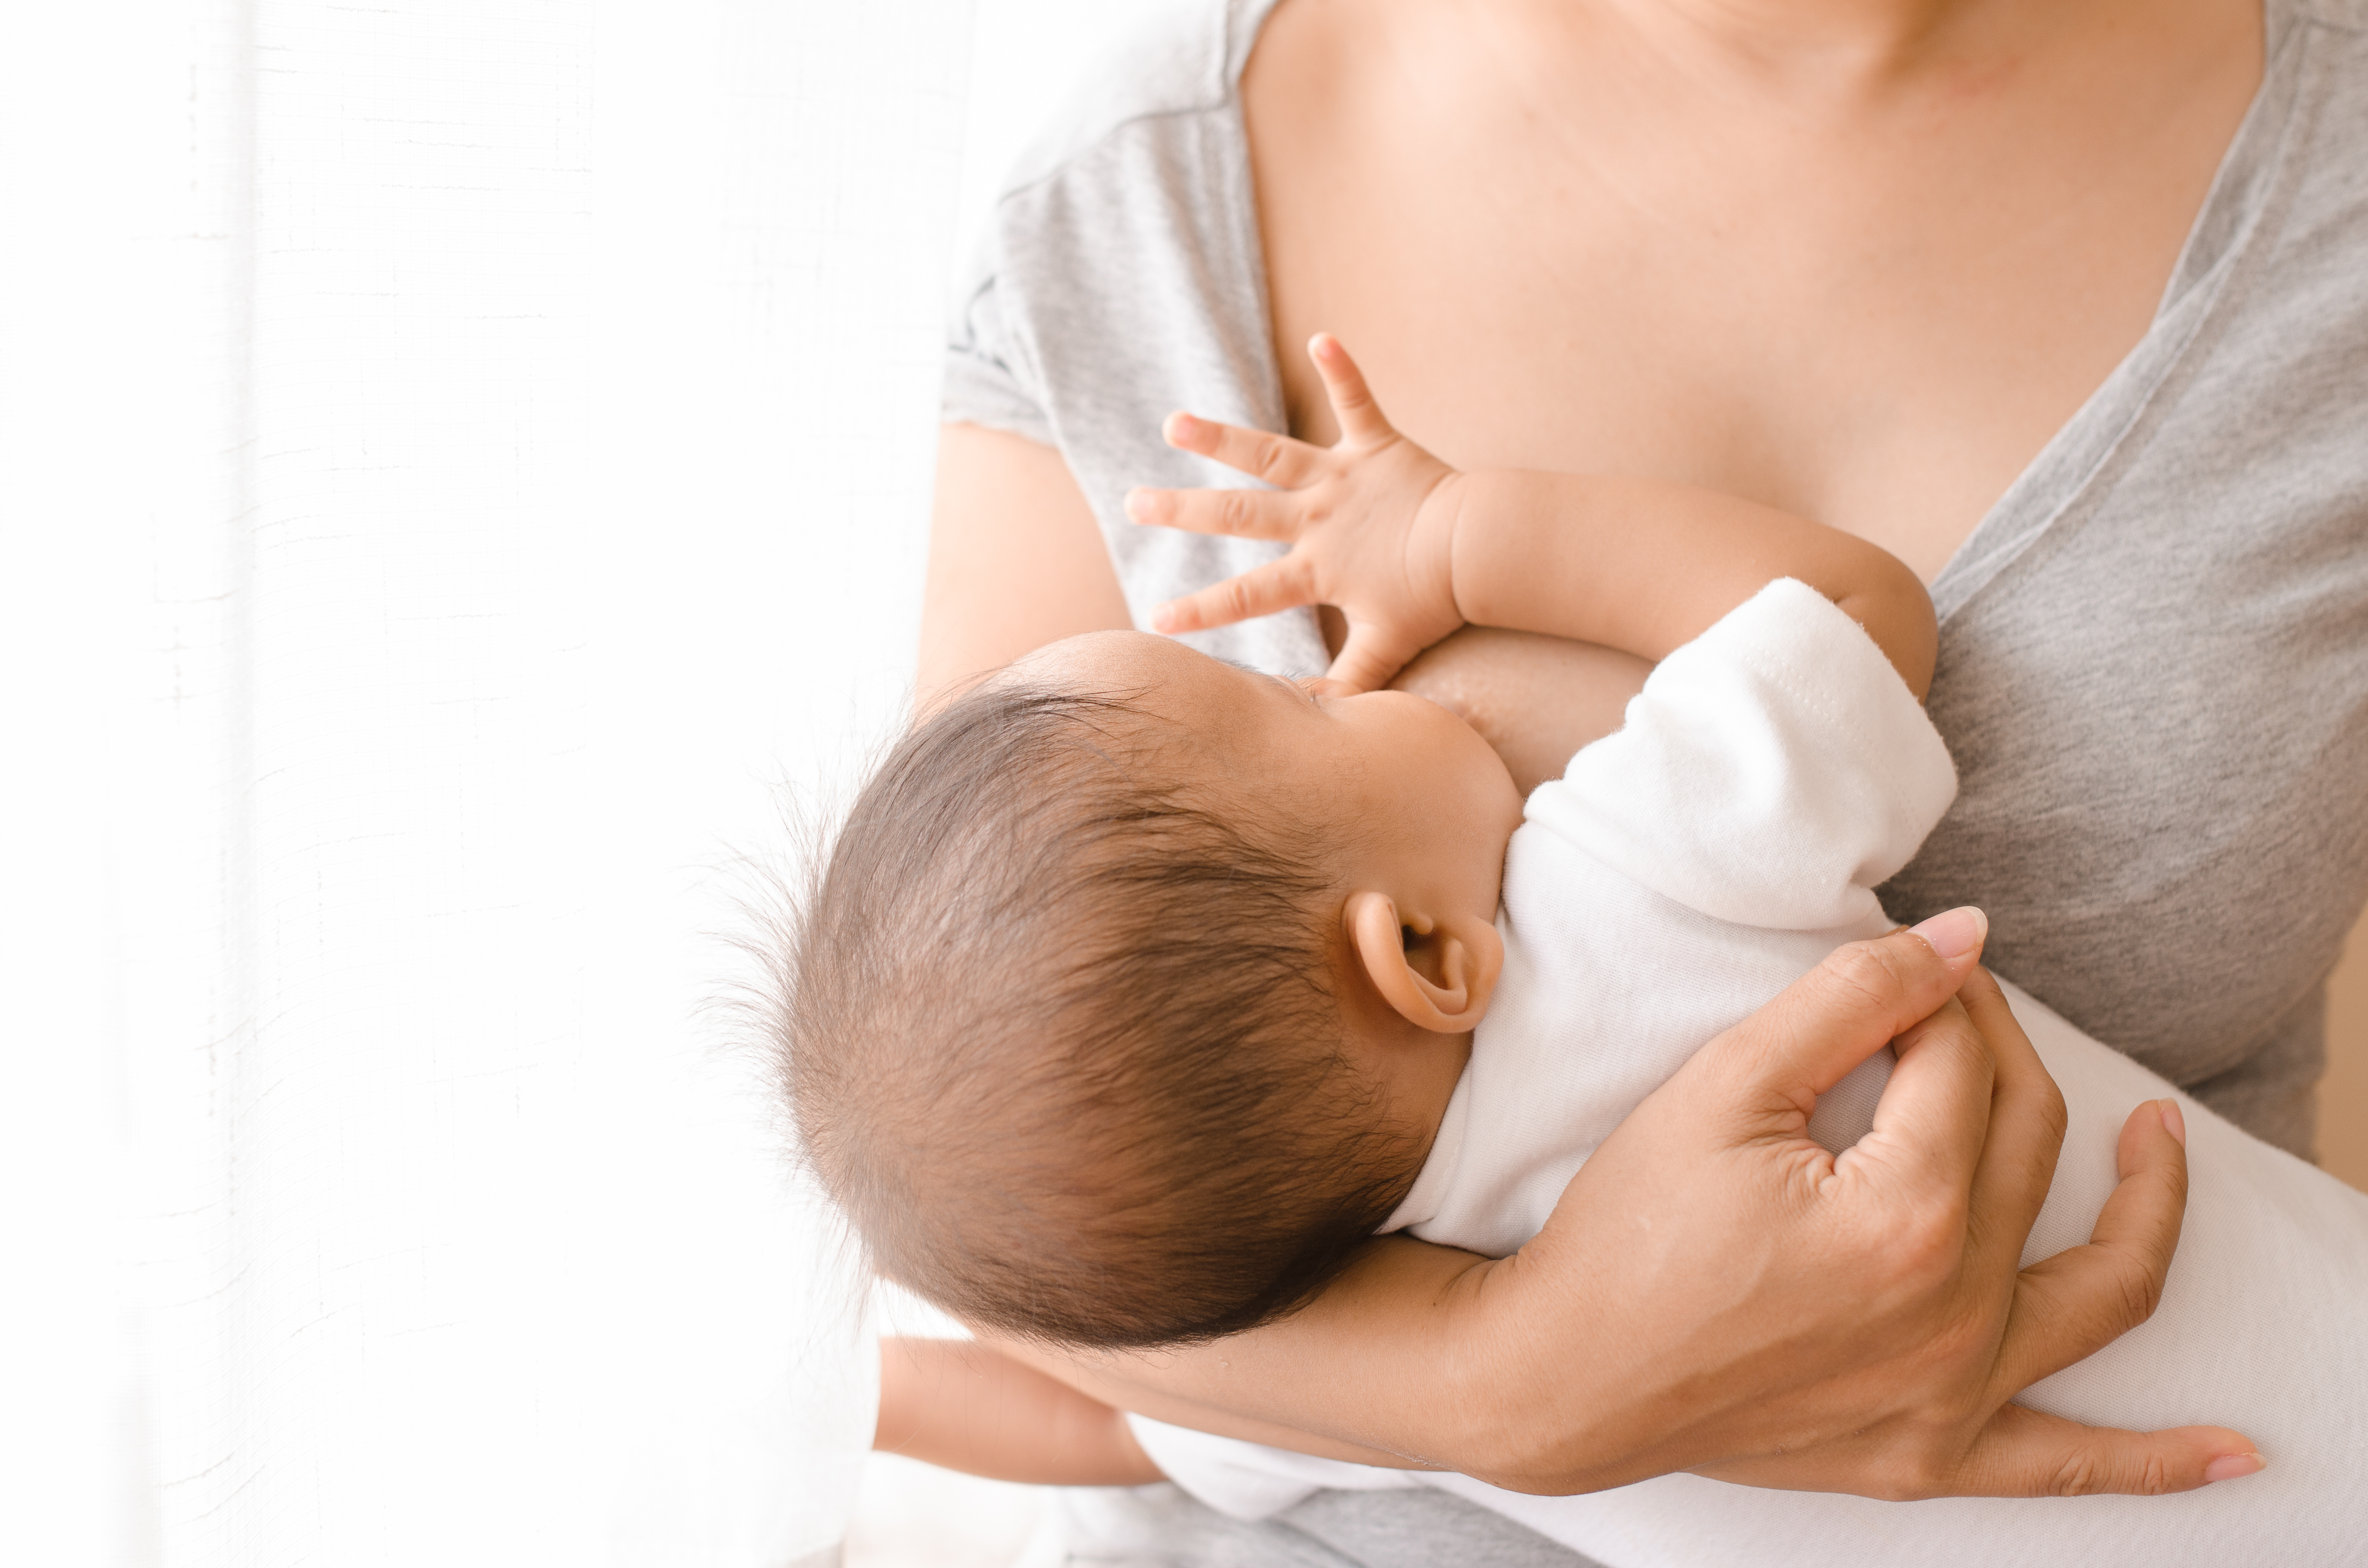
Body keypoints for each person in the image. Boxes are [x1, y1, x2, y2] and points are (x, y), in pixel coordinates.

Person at [921, 0, 2368, 1556]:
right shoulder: (1626, 878)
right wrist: (1507, 1390)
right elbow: (982, 1203)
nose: (1351, 686)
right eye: (1305, 704)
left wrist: (1458, 1384)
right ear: (1424, 956)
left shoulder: (1368, 1166)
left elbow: (1068, 1384)